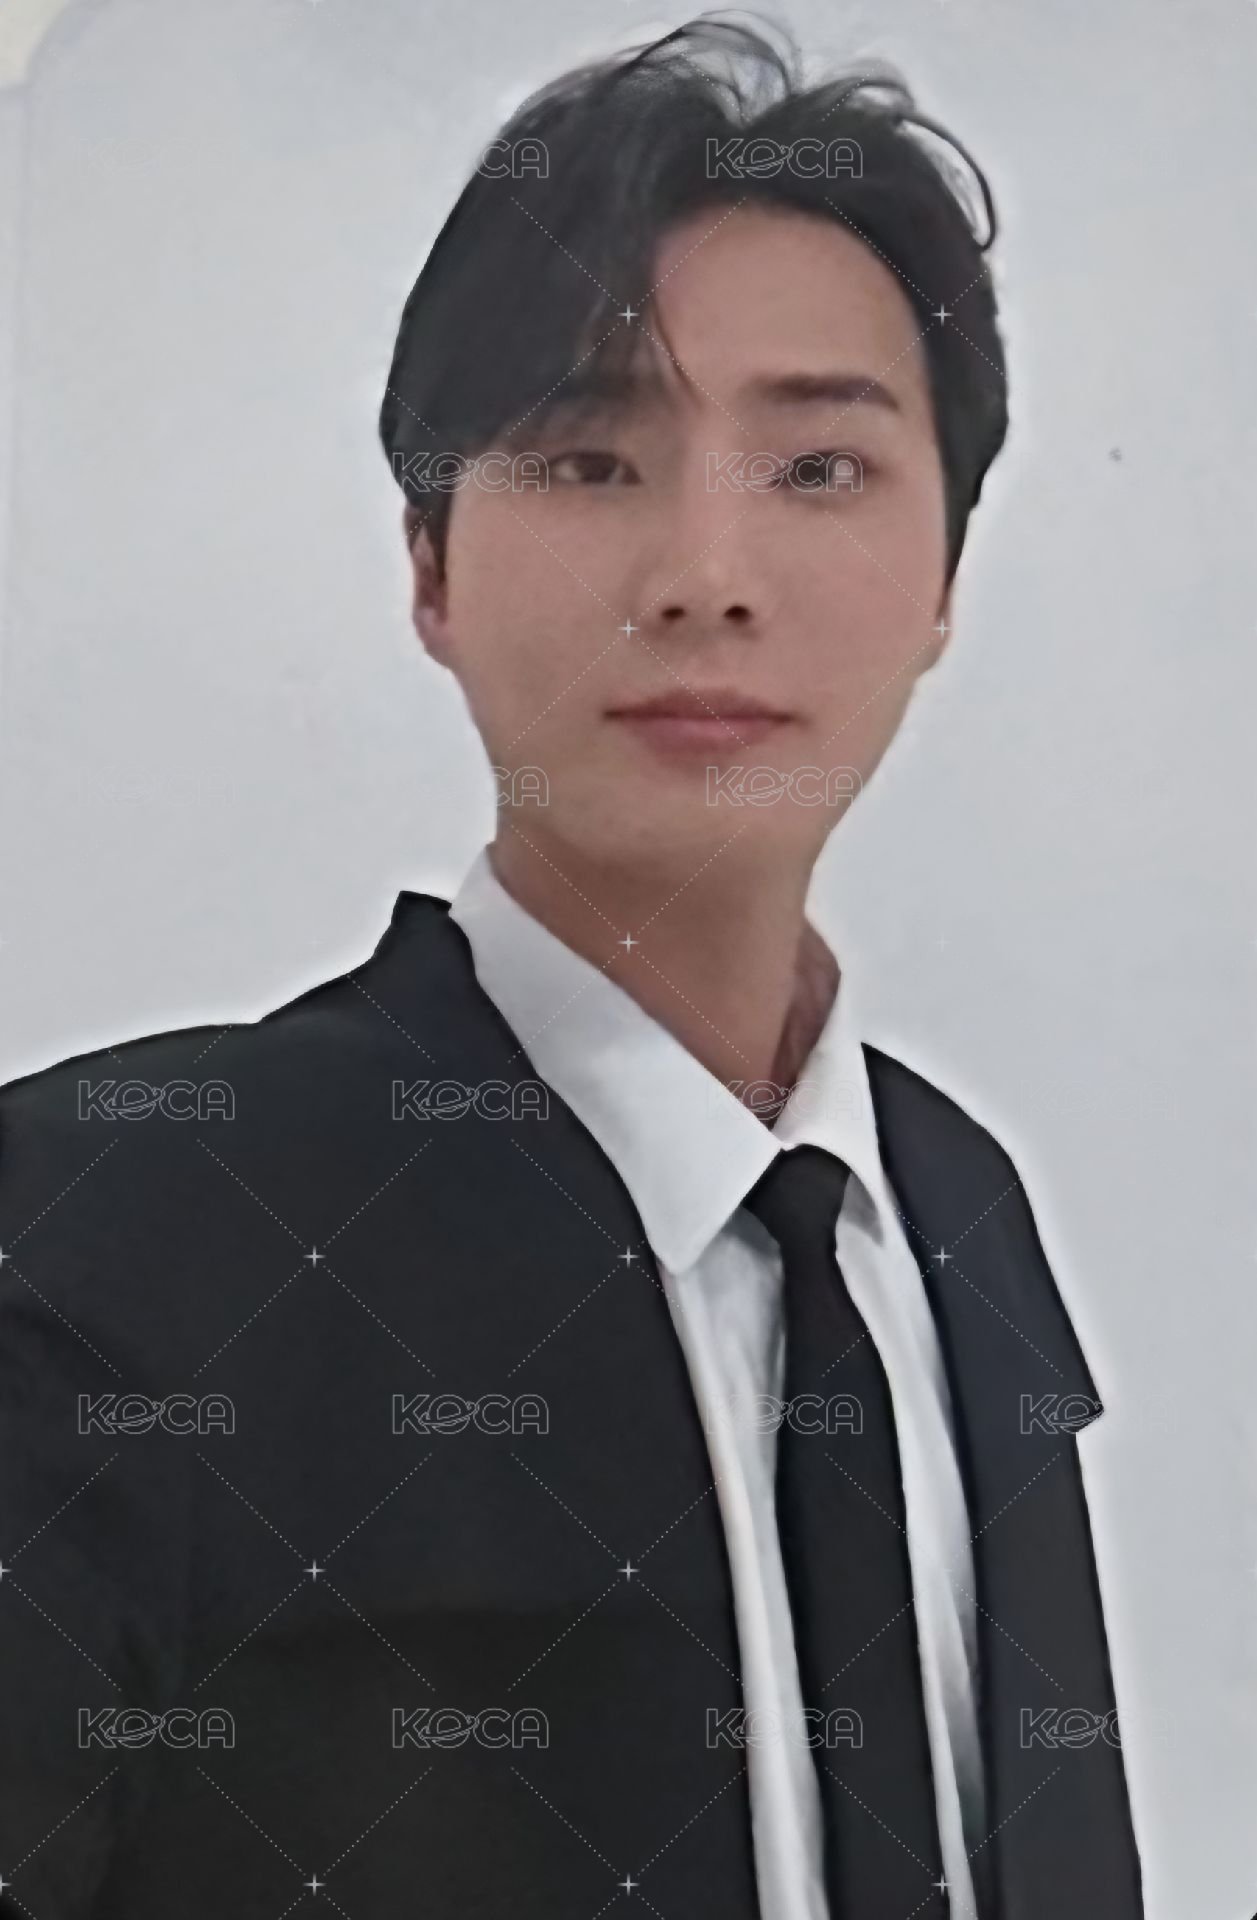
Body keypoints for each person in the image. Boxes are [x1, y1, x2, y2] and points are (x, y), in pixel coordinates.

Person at [0, 17, 1144, 1918]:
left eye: (818, 466)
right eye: (589, 458)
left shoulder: (953, 1220)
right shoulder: (105, 1236)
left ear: (945, 573)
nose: (703, 571)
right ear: (430, 565)